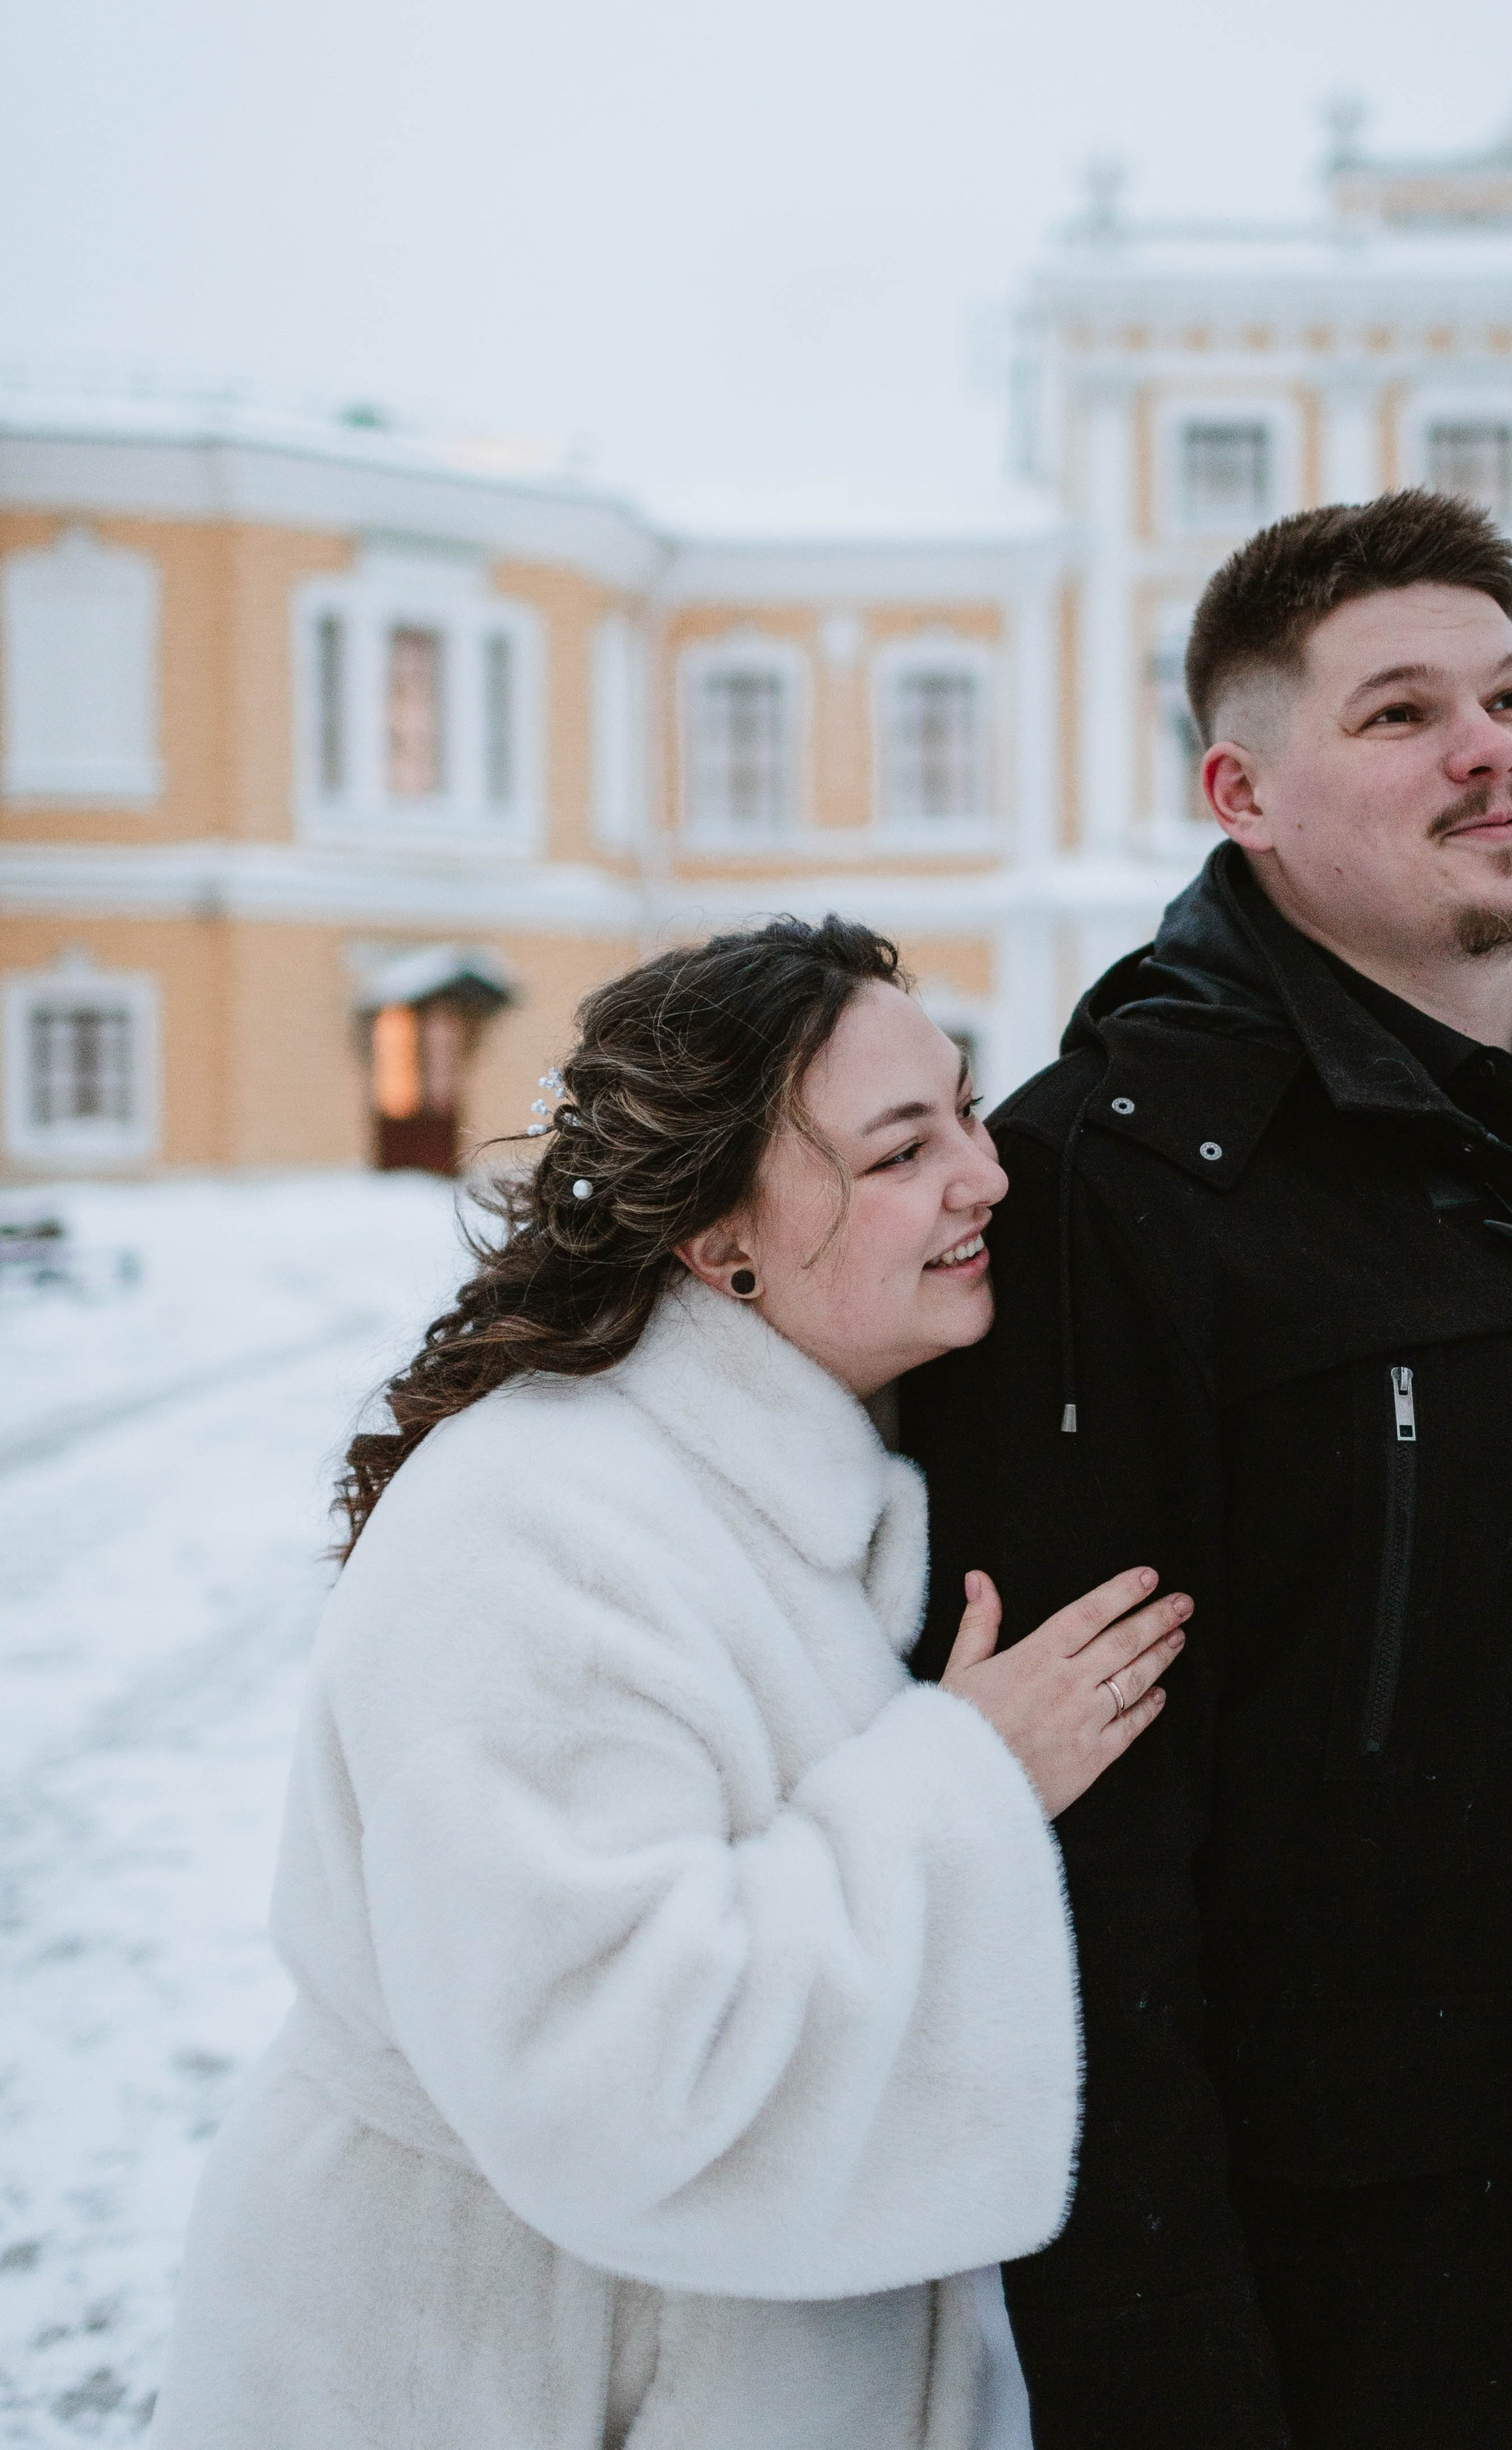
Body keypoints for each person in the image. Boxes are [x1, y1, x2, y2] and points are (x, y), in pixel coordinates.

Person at [904, 488, 1512, 2450]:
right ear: (1241, 789)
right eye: (1402, 713)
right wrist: (1165, 2379)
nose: (1492, 746)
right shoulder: (1119, 1183)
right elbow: (1084, 1869)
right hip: (1401, 2318)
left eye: (1511, 691)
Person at [149, 916, 1191, 2450]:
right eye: (900, 1149)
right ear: (722, 1241)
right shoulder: (536, 1531)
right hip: (479, 2368)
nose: (983, 1175)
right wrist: (968, 1779)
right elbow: (610, 2061)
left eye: (964, 1109)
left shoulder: (807, 1468)